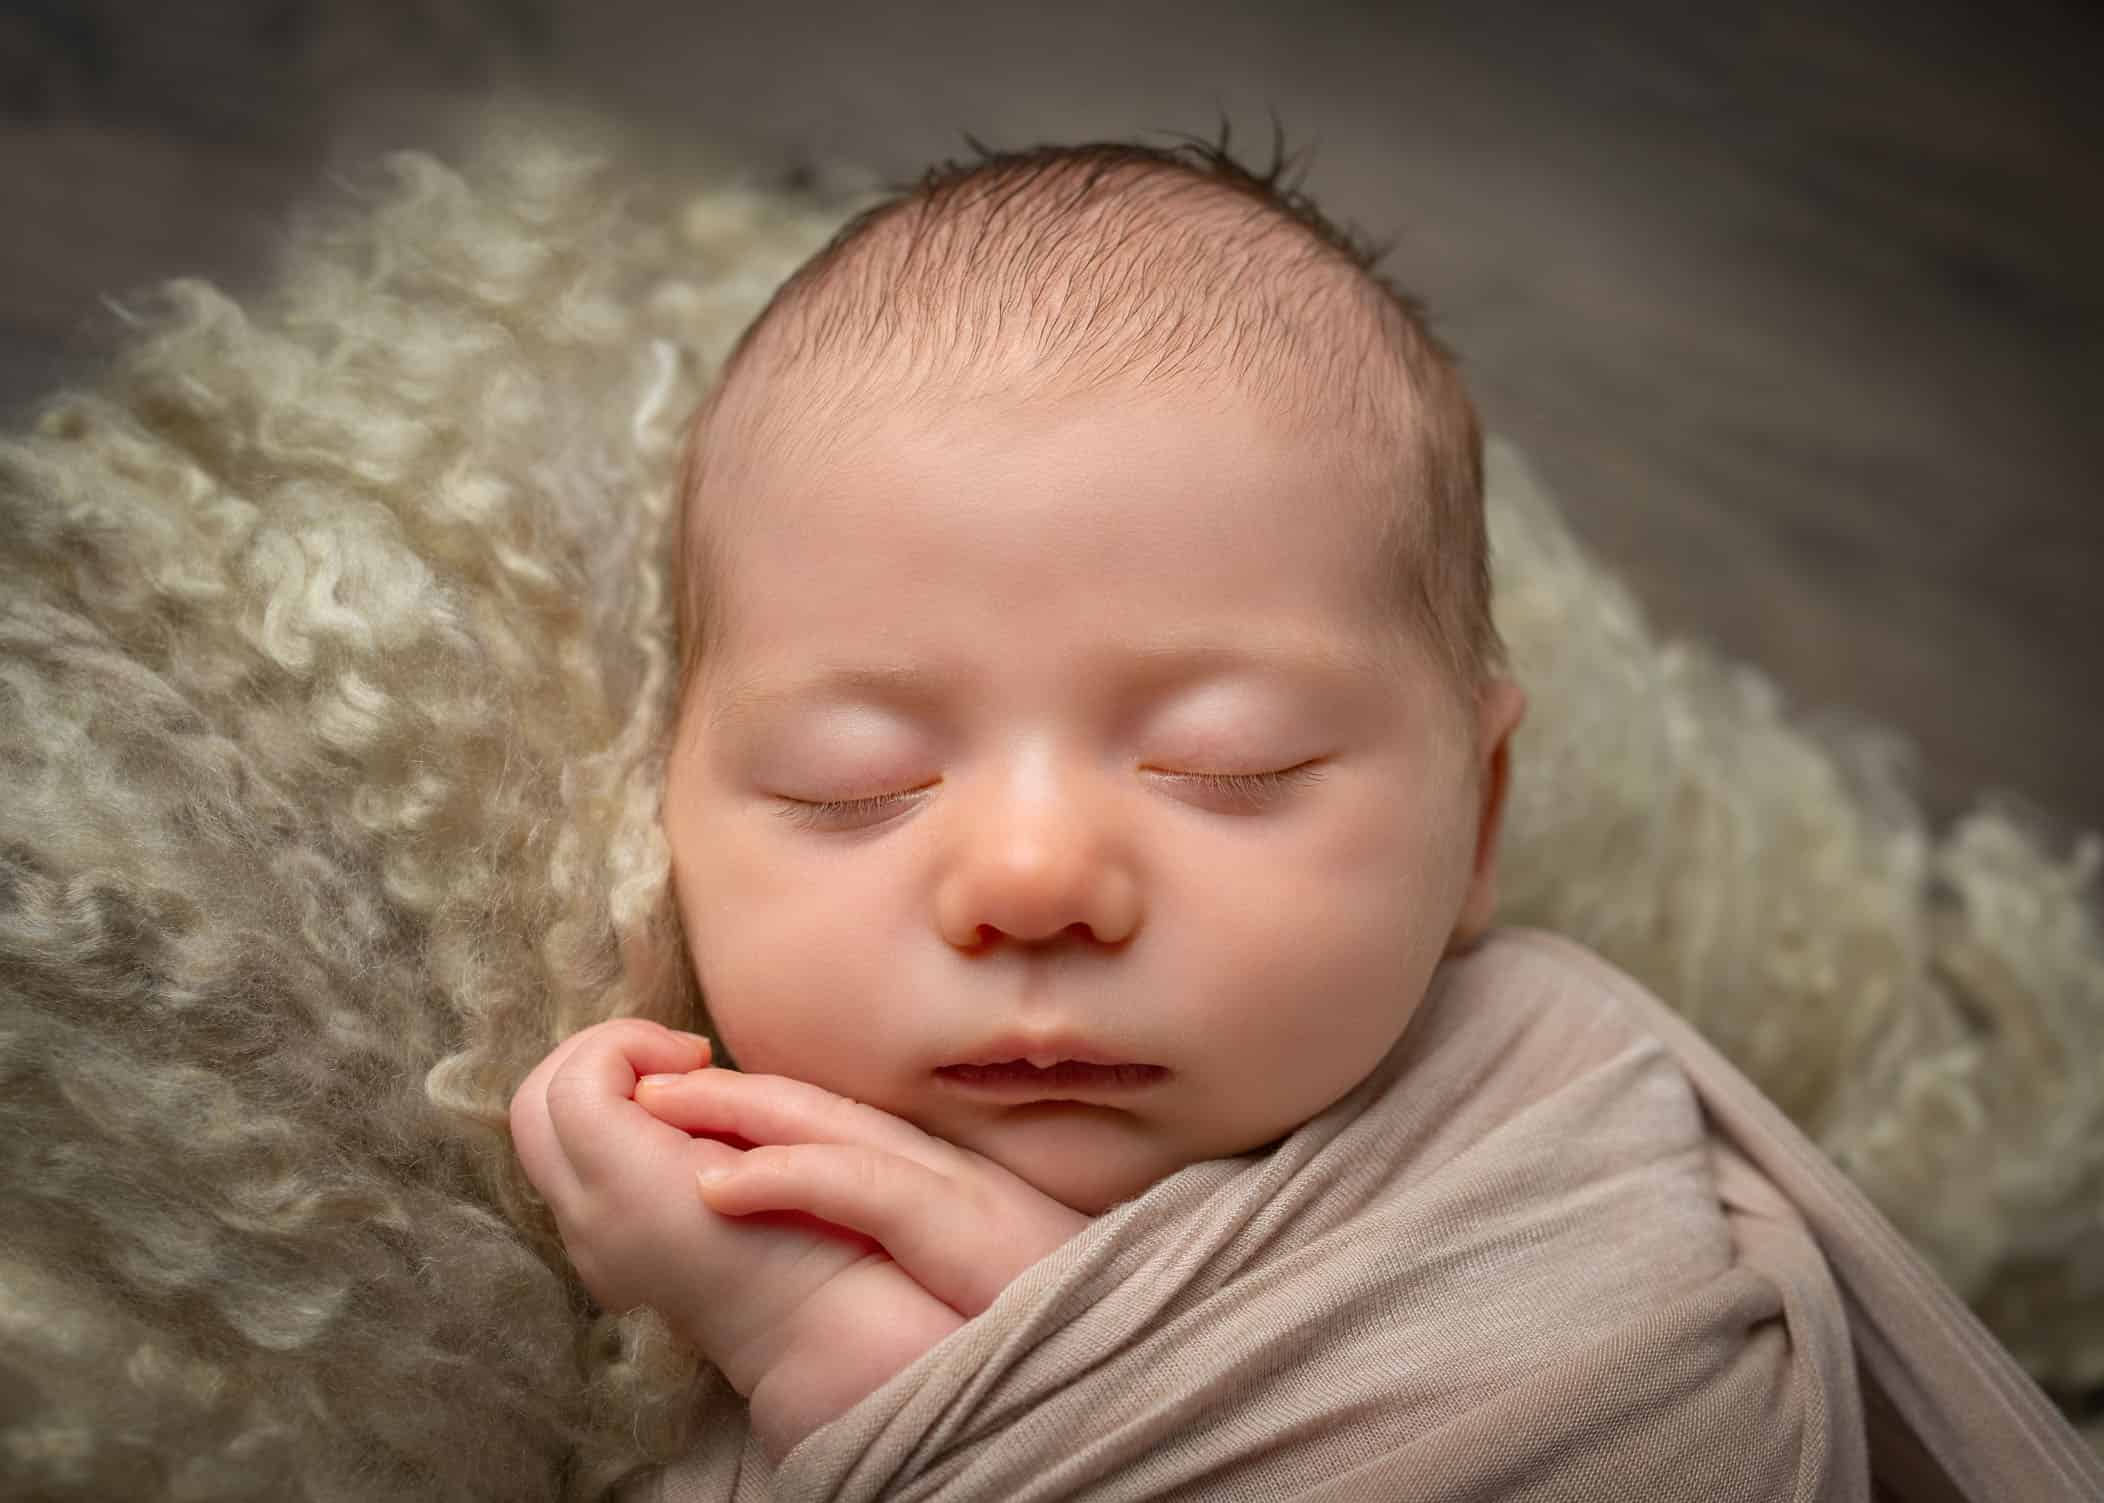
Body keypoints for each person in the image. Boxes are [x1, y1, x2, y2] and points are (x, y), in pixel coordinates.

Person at [507, 138, 2101, 1499]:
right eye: (853, 782)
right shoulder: (609, 1363)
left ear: (1478, 818)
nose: (1034, 878)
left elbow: (1685, 1447)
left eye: (1232, 764)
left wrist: (819, 1338)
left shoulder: (1551, 1112)